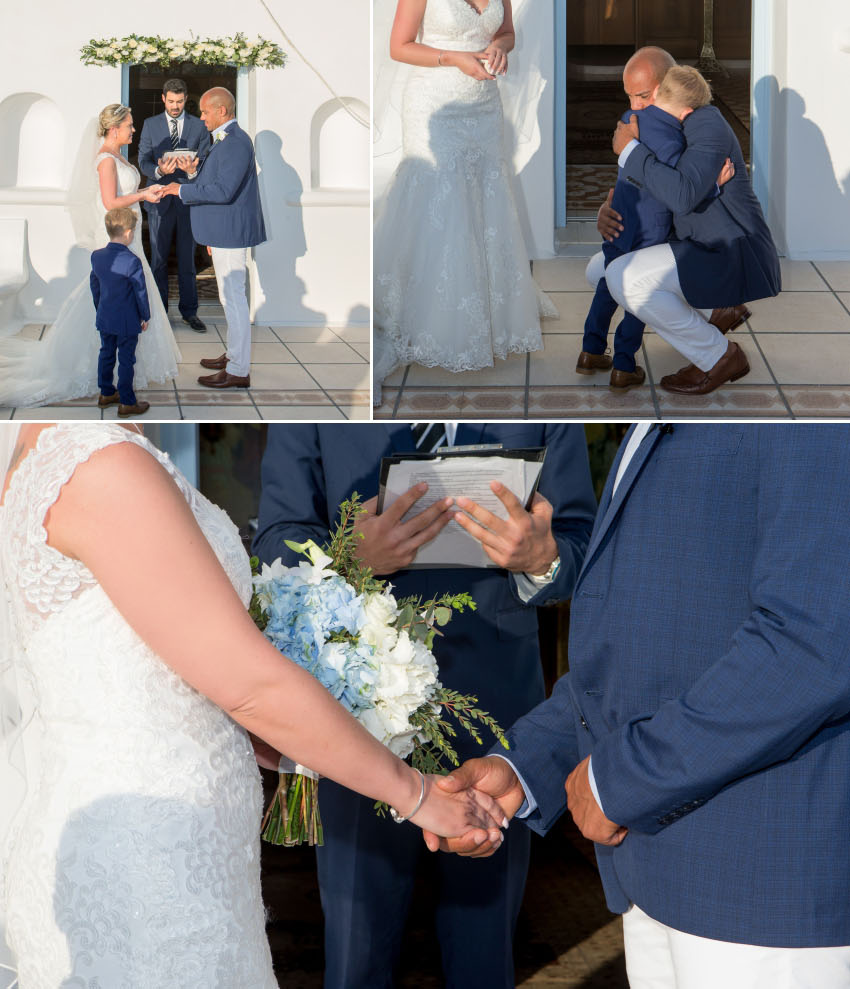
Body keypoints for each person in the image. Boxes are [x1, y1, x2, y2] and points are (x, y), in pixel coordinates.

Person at [0, 421, 508, 988]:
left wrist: (280, 736)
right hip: (146, 868)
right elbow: (249, 685)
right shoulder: (103, 464)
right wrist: (415, 795)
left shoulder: (57, 452)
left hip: (161, 843)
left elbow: (155, 657)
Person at [430, 423, 850, 989]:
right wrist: (525, 768)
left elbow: (813, 645)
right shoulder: (660, 400)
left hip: (765, 894)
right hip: (653, 875)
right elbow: (647, 645)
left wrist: (621, 779)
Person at [254, 421, 597, 989]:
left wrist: (543, 557)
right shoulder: (325, 398)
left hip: (498, 713)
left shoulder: (536, 388)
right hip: (357, 709)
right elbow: (275, 539)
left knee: (484, 954)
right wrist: (346, 555)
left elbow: (583, 544)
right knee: (356, 952)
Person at [373, 0, 554, 384]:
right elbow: (399, 47)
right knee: (442, 203)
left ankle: (490, 309)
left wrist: (498, 47)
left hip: (483, 106)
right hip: (434, 105)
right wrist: (453, 57)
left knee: (485, 198)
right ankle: (439, 317)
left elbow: (509, 32)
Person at [603, 63, 780, 393]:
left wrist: (629, 149)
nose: (636, 108)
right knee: (599, 269)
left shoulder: (707, 125)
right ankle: (715, 310)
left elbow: (681, 195)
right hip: (694, 241)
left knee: (621, 278)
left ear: (664, 91)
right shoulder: (670, 122)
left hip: (728, 253)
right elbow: (656, 188)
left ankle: (719, 356)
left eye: (643, 97)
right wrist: (607, 207)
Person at [0, 103, 178, 407]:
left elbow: (126, 194)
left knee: (120, 291)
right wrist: (144, 195)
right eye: (130, 126)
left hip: (128, 232)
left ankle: (113, 380)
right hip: (116, 234)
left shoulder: (119, 156)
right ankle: (100, 373)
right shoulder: (106, 160)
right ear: (114, 129)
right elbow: (111, 202)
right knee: (117, 291)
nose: (134, 130)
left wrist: (153, 189)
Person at [578, 75, 696, 390]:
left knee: (608, 282)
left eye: (639, 94)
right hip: (652, 225)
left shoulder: (629, 120)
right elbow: (674, 185)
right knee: (637, 292)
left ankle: (590, 349)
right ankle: (623, 365)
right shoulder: (676, 134)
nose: (634, 104)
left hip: (621, 217)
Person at [159, 87, 265, 389]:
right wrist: (192, 174)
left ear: (222, 111)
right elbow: (213, 182)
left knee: (233, 300)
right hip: (222, 230)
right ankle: (233, 354)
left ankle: (238, 370)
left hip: (230, 231)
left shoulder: (235, 143)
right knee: (227, 298)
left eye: (205, 111)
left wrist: (179, 189)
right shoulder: (225, 141)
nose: (201, 117)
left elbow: (223, 191)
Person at [138, 77, 211, 331]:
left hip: (187, 200)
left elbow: (205, 163)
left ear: (185, 98)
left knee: (187, 260)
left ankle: (190, 313)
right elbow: (143, 160)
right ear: (163, 99)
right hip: (159, 201)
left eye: (179, 102)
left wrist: (192, 172)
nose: (175, 106)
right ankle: (159, 314)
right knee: (157, 260)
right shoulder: (149, 124)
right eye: (171, 102)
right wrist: (158, 170)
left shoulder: (199, 127)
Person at [89, 207, 151, 417]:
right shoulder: (132, 261)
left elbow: (95, 286)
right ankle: (126, 401)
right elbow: (140, 292)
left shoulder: (97, 256)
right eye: (133, 230)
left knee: (106, 353)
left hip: (105, 316)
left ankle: (106, 393)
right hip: (127, 321)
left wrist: (100, 308)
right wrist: (145, 315)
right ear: (127, 233)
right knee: (126, 359)